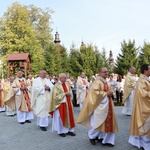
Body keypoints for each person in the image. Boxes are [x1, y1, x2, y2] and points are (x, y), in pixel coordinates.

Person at [77, 68, 118, 147]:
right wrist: (106, 94)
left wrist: (111, 92)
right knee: (98, 123)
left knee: (108, 122)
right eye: (104, 72)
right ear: (99, 73)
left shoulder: (105, 81)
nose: (107, 73)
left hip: (108, 105)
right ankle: (91, 136)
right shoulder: (97, 82)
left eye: (107, 71)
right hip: (99, 106)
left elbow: (110, 90)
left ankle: (106, 140)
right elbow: (94, 93)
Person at [128, 64, 150, 150]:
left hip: (144, 105)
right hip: (143, 107)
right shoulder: (142, 80)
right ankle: (145, 145)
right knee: (145, 125)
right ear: (145, 70)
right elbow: (143, 94)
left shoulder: (145, 79)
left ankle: (144, 144)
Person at [49, 73, 76, 137]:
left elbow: (70, 92)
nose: (66, 78)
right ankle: (61, 131)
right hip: (61, 104)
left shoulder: (67, 84)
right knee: (61, 117)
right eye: (64, 77)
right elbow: (55, 97)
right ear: (60, 78)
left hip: (68, 102)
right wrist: (64, 94)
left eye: (66, 77)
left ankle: (70, 130)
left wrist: (70, 94)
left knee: (70, 116)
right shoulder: (56, 86)